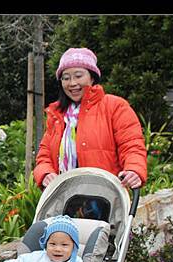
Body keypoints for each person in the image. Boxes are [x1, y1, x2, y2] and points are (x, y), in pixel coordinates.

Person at [33, 47, 147, 190]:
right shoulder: (57, 116)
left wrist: (134, 170)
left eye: (78, 76)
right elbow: (44, 156)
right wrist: (45, 173)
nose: (72, 83)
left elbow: (132, 145)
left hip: (106, 196)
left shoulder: (115, 106)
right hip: (65, 197)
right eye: (66, 78)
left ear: (92, 77)